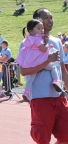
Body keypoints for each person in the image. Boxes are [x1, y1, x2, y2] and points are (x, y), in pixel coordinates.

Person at [19, 8, 68, 144]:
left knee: (66, 136)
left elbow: (62, 69)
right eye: (46, 17)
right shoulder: (27, 43)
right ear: (37, 21)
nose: (50, 20)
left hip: (59, 96)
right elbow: (23, 71)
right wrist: (47, 61)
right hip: (40, 97)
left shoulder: (57, 41)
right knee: (42, 139)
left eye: (51, 17)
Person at [16, 19, 62, 101]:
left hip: (31, 62)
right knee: (53, 68)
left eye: (42, 28)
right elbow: (44, 49)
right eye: (39, 28)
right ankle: (56, 80)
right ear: (31, 31)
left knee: (31, 77)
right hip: (40, 60)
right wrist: (47, 42)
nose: (41, 30)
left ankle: (26, 92)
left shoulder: (28, 39)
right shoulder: (38, 39)